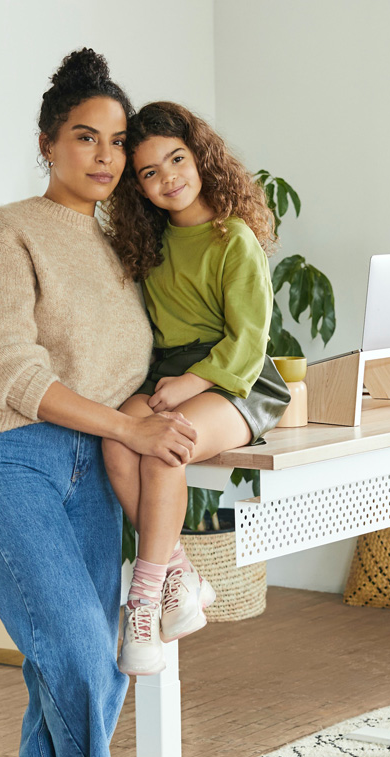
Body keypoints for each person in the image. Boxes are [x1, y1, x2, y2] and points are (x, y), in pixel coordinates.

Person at [0, 49, 198, 757]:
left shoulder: (127, 242)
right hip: (10, 456)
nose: (102, 156)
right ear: (48, 142)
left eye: (116, 141)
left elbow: (155, 355)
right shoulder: (3, 231)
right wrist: (128, 428)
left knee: (67, 671)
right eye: (84, 138)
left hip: (96, 463)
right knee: (80, 650)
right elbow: (12, 368)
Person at [103, 101, 290, 676]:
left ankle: (143, 600)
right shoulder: (149, 245)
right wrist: (170, 383)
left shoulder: (233, 238)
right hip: (170, 376)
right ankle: (180, 573)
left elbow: (249, 340)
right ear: (137, 186)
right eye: (149, 173)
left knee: (164, 448)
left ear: (201, 155)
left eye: (176, 160)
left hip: (239, 379)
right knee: (116, 438)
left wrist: (189, 383)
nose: (168, 179)